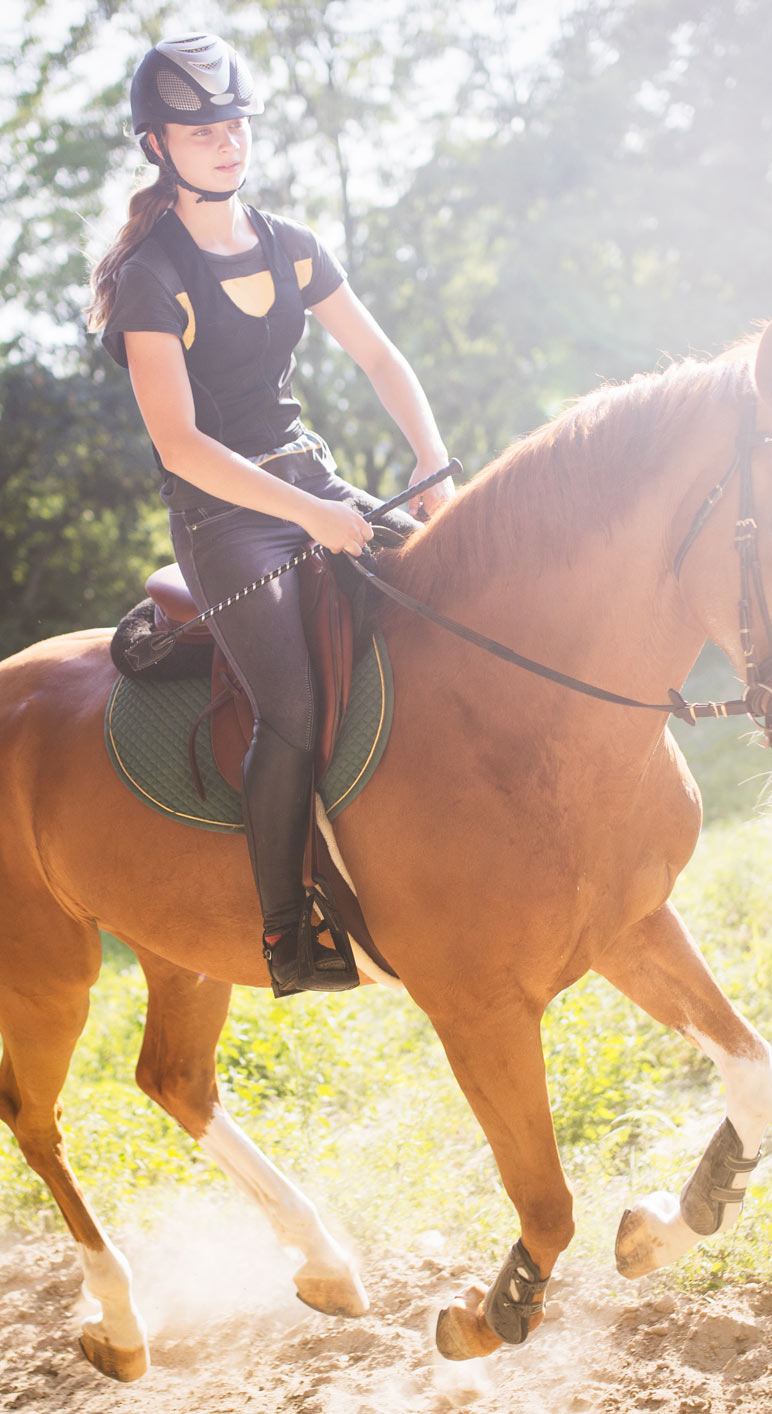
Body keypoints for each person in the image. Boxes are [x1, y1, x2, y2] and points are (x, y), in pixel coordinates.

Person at [89, 34, 453, 997]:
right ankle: (290, 937)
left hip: (312, 483)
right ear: (157, 144)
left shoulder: (292, 246)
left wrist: (429, 460)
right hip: (226, 520)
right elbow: (181, 445)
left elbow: (379, 358)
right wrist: (316, 517)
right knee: (290, 713)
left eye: (237, 123)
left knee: (450, 600)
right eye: (203, 129)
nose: (228, 141)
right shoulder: (150, 277)